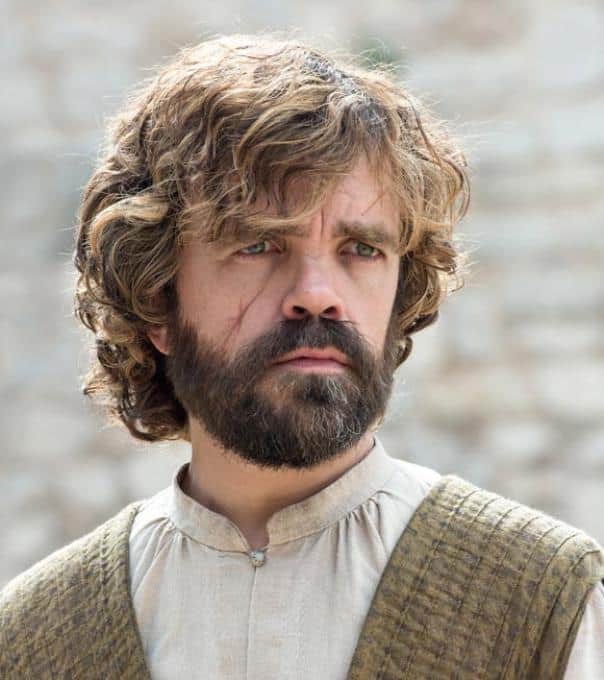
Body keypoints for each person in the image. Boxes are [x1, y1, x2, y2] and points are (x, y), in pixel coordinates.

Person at [1, 34, 602, 680]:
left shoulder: (544, 604)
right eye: (259, 245)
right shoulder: (33, 641)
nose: (317, 294)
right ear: (156, 302)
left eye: (361, 250)